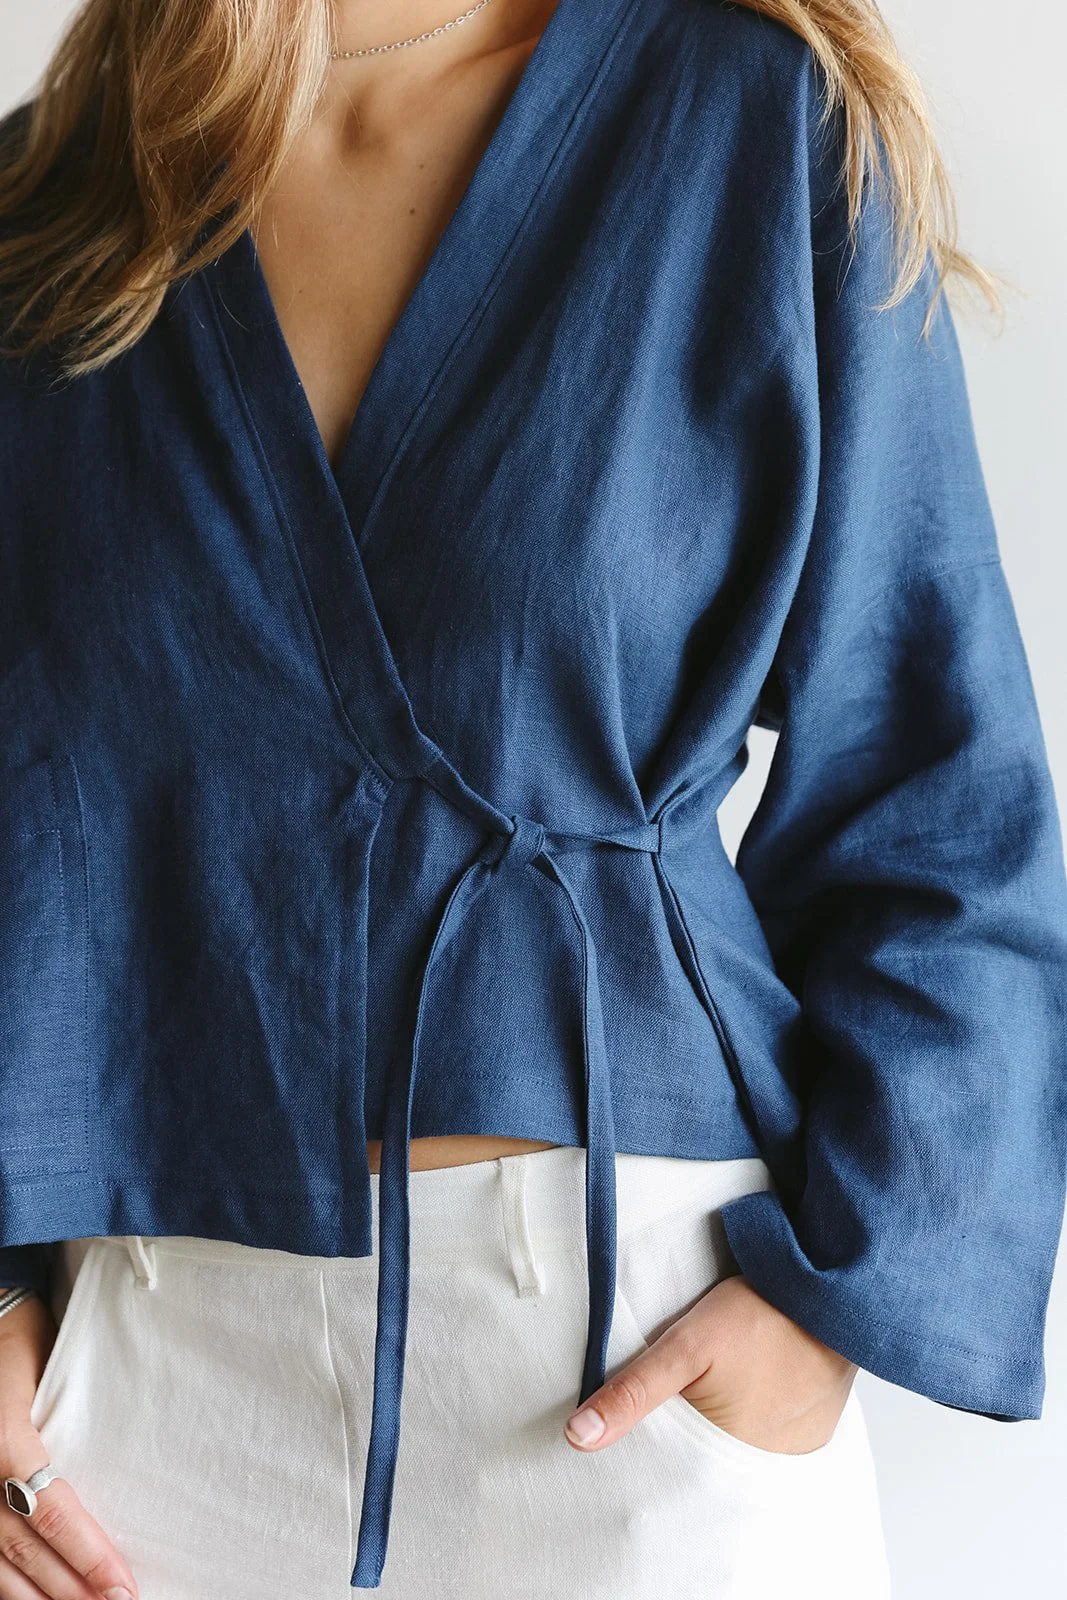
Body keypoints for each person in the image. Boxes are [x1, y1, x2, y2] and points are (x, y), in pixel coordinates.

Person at [0, 0, 1064, 1594]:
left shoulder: (747, 122)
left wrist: (821, 1313)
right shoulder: (49, 201)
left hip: (620, 1370)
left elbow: (934, 798)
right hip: (134, 1400)